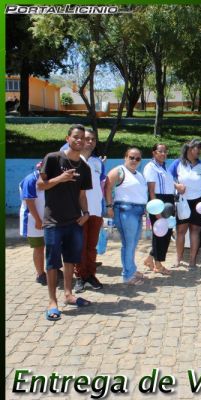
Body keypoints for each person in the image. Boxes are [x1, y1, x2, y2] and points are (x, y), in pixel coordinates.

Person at [37, 124, 93, 321]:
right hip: (53, 221)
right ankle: (53, 302)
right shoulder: (53, 159)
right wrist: (60, 178)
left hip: (74, 222)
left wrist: (85, 213)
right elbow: (40, 185)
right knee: (53, 262)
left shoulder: (84, 167)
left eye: (83, 138)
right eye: (75, 137)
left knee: (70, 259)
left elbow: (82, 194)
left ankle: (69, 294)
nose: (80, 140)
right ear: (68, 138)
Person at [105, 148, 148, 286]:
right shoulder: (119, 171)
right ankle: (127, 275)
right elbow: (107, 187)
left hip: (138, 211)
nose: (134, 160)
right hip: (125, 210)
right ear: (125, 157)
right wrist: (109, 206)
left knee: (133, 243)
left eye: (138, 158)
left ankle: (131, 269)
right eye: (131, 157)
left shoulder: (139, 175)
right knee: (128, 244)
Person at [169, 139, 201, 269]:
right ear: (189, 148)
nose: (199, 151)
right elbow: (168, 177)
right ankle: (178, 259)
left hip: (200, 201)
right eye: (197, 148)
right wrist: (177, 185)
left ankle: (192, 261)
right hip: (183, 201)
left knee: (195, 230)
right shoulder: (178, 163)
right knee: (181, 230)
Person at [73, 128, 106, 293]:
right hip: (78, 212)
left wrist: (104, 207)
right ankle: (80, 276)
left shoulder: (98, 162)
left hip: (96, 211)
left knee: (92, 246)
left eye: (93, 139)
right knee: (79, 245)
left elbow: (101, 186)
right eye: (87, 138)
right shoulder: (72, 160)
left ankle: (90, 275)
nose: (90, 142)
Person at [143, 143, 177, 275]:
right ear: (154, 153)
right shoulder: (150, 167)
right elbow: (151, 190)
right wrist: (156, 210)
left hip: (168, 201)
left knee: (166, 232)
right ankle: (158, 264)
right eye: (160, 151)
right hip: (158, 201)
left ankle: (150, 259)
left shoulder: (164, 168)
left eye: (165, 151)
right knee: (160, 233)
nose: (163, 154)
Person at [19, 162, 46, 285]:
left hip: (47, 219)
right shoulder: (30, 180)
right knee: (39, 247)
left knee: (51, 245)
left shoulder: (49, 179)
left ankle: (54, 270)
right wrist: (38, 220)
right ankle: (40, 273)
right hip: (32, 220)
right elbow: (30, 202)